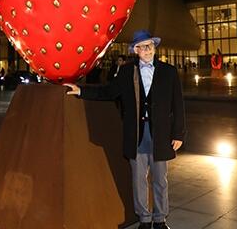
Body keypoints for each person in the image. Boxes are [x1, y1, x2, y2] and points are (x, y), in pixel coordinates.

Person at [65, 30, 185, 229]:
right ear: (135, 50)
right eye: (142, 47)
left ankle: (160, 219)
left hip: (161, 135)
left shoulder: (169, 71)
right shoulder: (127, 71)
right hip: (136, 134)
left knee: (160, 181)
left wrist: (179, 133)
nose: (147, 50)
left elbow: (178, 104)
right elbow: (109, 92)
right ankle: (144, 220)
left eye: (150, 46)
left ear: (154, 48)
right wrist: (81, 91)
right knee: (139, 181)